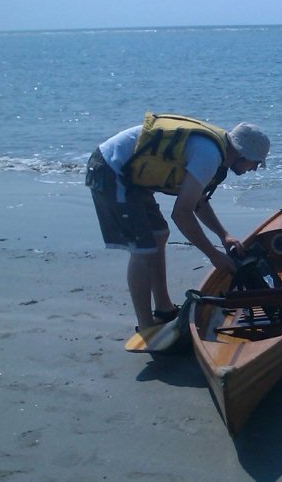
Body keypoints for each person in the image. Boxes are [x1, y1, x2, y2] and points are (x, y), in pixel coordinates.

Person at [85, 112, 270, 330]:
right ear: (241, 154)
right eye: (255, 162)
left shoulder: (217, 152)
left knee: (159, 235)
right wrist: (213, 255)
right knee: (142, 249)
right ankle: (146, 326)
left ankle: (164, 309)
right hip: (110, 168)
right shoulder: (209, 156)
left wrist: (224, 235)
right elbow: (181, 214)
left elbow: (198, 202)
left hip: (130, 176)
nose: (255, 168)